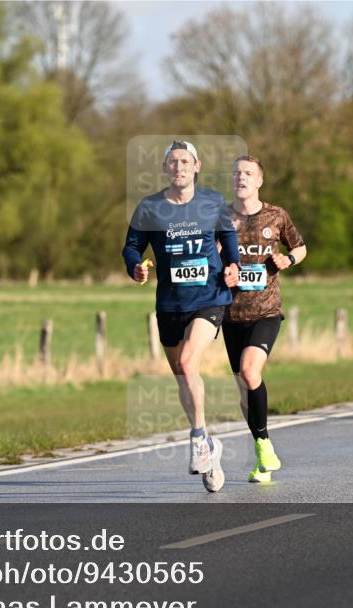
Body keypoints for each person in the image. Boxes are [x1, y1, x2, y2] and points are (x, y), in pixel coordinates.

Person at [122, 140, 240, 492]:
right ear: (165, 168)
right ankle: (210, 453)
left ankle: (199, 438)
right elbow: (131, 246)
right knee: (182, 376)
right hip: (170, 304)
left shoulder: (212, 202)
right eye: (173, 163)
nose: (179, 168)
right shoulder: (150, 207)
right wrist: (136, 269)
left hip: (209, 297)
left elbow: (227, 234)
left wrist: (233, 264)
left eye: (185, 162)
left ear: (197, 166)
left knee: (190, 363)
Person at [223, 156, 306, 483]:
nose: (241, 177)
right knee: (244, 388)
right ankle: (262, 452)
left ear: (259, 181)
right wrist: (222, 271)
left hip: (267, 311)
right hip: (231, 314)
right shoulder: (221, 217)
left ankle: (263, 444)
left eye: (247, 173)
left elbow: (300, 248)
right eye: (236, 173)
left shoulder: (276, 215)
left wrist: (287, 259)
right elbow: (211, 257)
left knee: (249, 370)